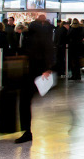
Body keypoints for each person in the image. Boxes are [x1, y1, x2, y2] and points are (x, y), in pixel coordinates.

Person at [12, 13, 54, 143]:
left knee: (24, 102)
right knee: (25, 102)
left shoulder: (30, 37)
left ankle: (26, 131)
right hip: (36, 72)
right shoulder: (44, 36)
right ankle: (26, 131)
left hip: (31, 72)